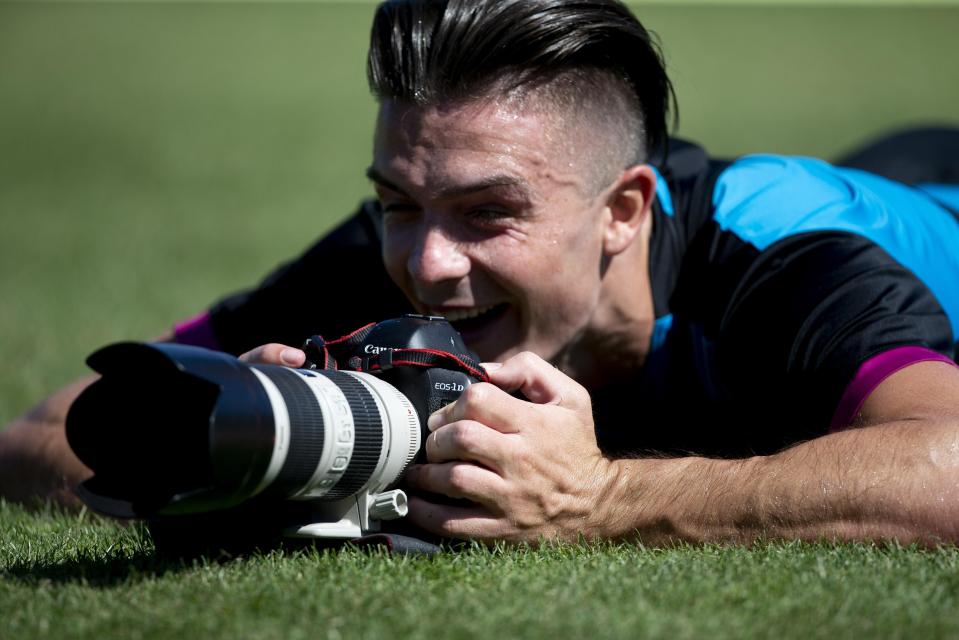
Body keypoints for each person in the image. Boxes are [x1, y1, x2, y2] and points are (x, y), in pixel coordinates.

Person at [3, 0, 959, 545]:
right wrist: (232, 460)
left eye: (488, 213)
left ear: (621, 212)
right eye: (399, 204)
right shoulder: (393, 248)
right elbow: (41, 430)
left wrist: (604, 498)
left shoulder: (783, 260)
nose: (425, 265)